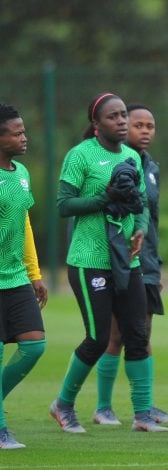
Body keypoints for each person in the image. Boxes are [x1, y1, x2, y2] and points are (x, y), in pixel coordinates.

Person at [50, 92, 167, 433]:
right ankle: (63, 404)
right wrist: (105, 198)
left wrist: (141, 230)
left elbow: (142, 202)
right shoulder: (80, 156)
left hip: (126, 261)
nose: (121, 121)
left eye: (123, 116)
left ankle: (143, 415)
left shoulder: (132, 155)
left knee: (137, 334)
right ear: (96, 124)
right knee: (99, 338)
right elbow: (64, 205)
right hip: (89, 260)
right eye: (113, 116)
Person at [92, 104, 168, 426]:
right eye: (138, 124)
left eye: (150, 125)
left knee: (142, 334)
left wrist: (154, 264)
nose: (145, 131)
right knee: (117, 335)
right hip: (122, 261)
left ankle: (146, 405)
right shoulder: (117, 164)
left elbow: (150, 217)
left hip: (148, 261)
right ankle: (102, 406)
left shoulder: (151, 166)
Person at [0, 103, 47, 450]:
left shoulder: (21, 173)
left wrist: (34, 273)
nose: (24, 137)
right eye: (16, 133)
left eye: (23, 131)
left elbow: (24, 224)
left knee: (33, 345)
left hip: (15, 278)